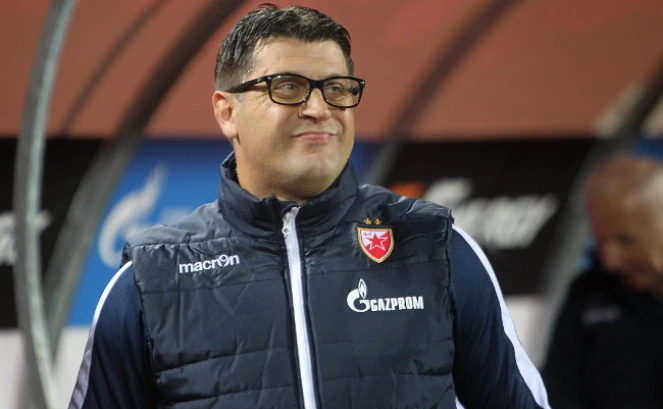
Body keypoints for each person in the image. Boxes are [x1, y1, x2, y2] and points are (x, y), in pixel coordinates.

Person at [68, 4, 550, 409]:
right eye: (288, 87)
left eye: (337, 89)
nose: (319, 108)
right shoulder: (150, 278)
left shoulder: (437, 248)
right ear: (227, 112)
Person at [542, 154, 663, 409]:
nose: (610, 260)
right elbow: (557, 390)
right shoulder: (589, 292)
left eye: (625, 240)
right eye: (599, 240)